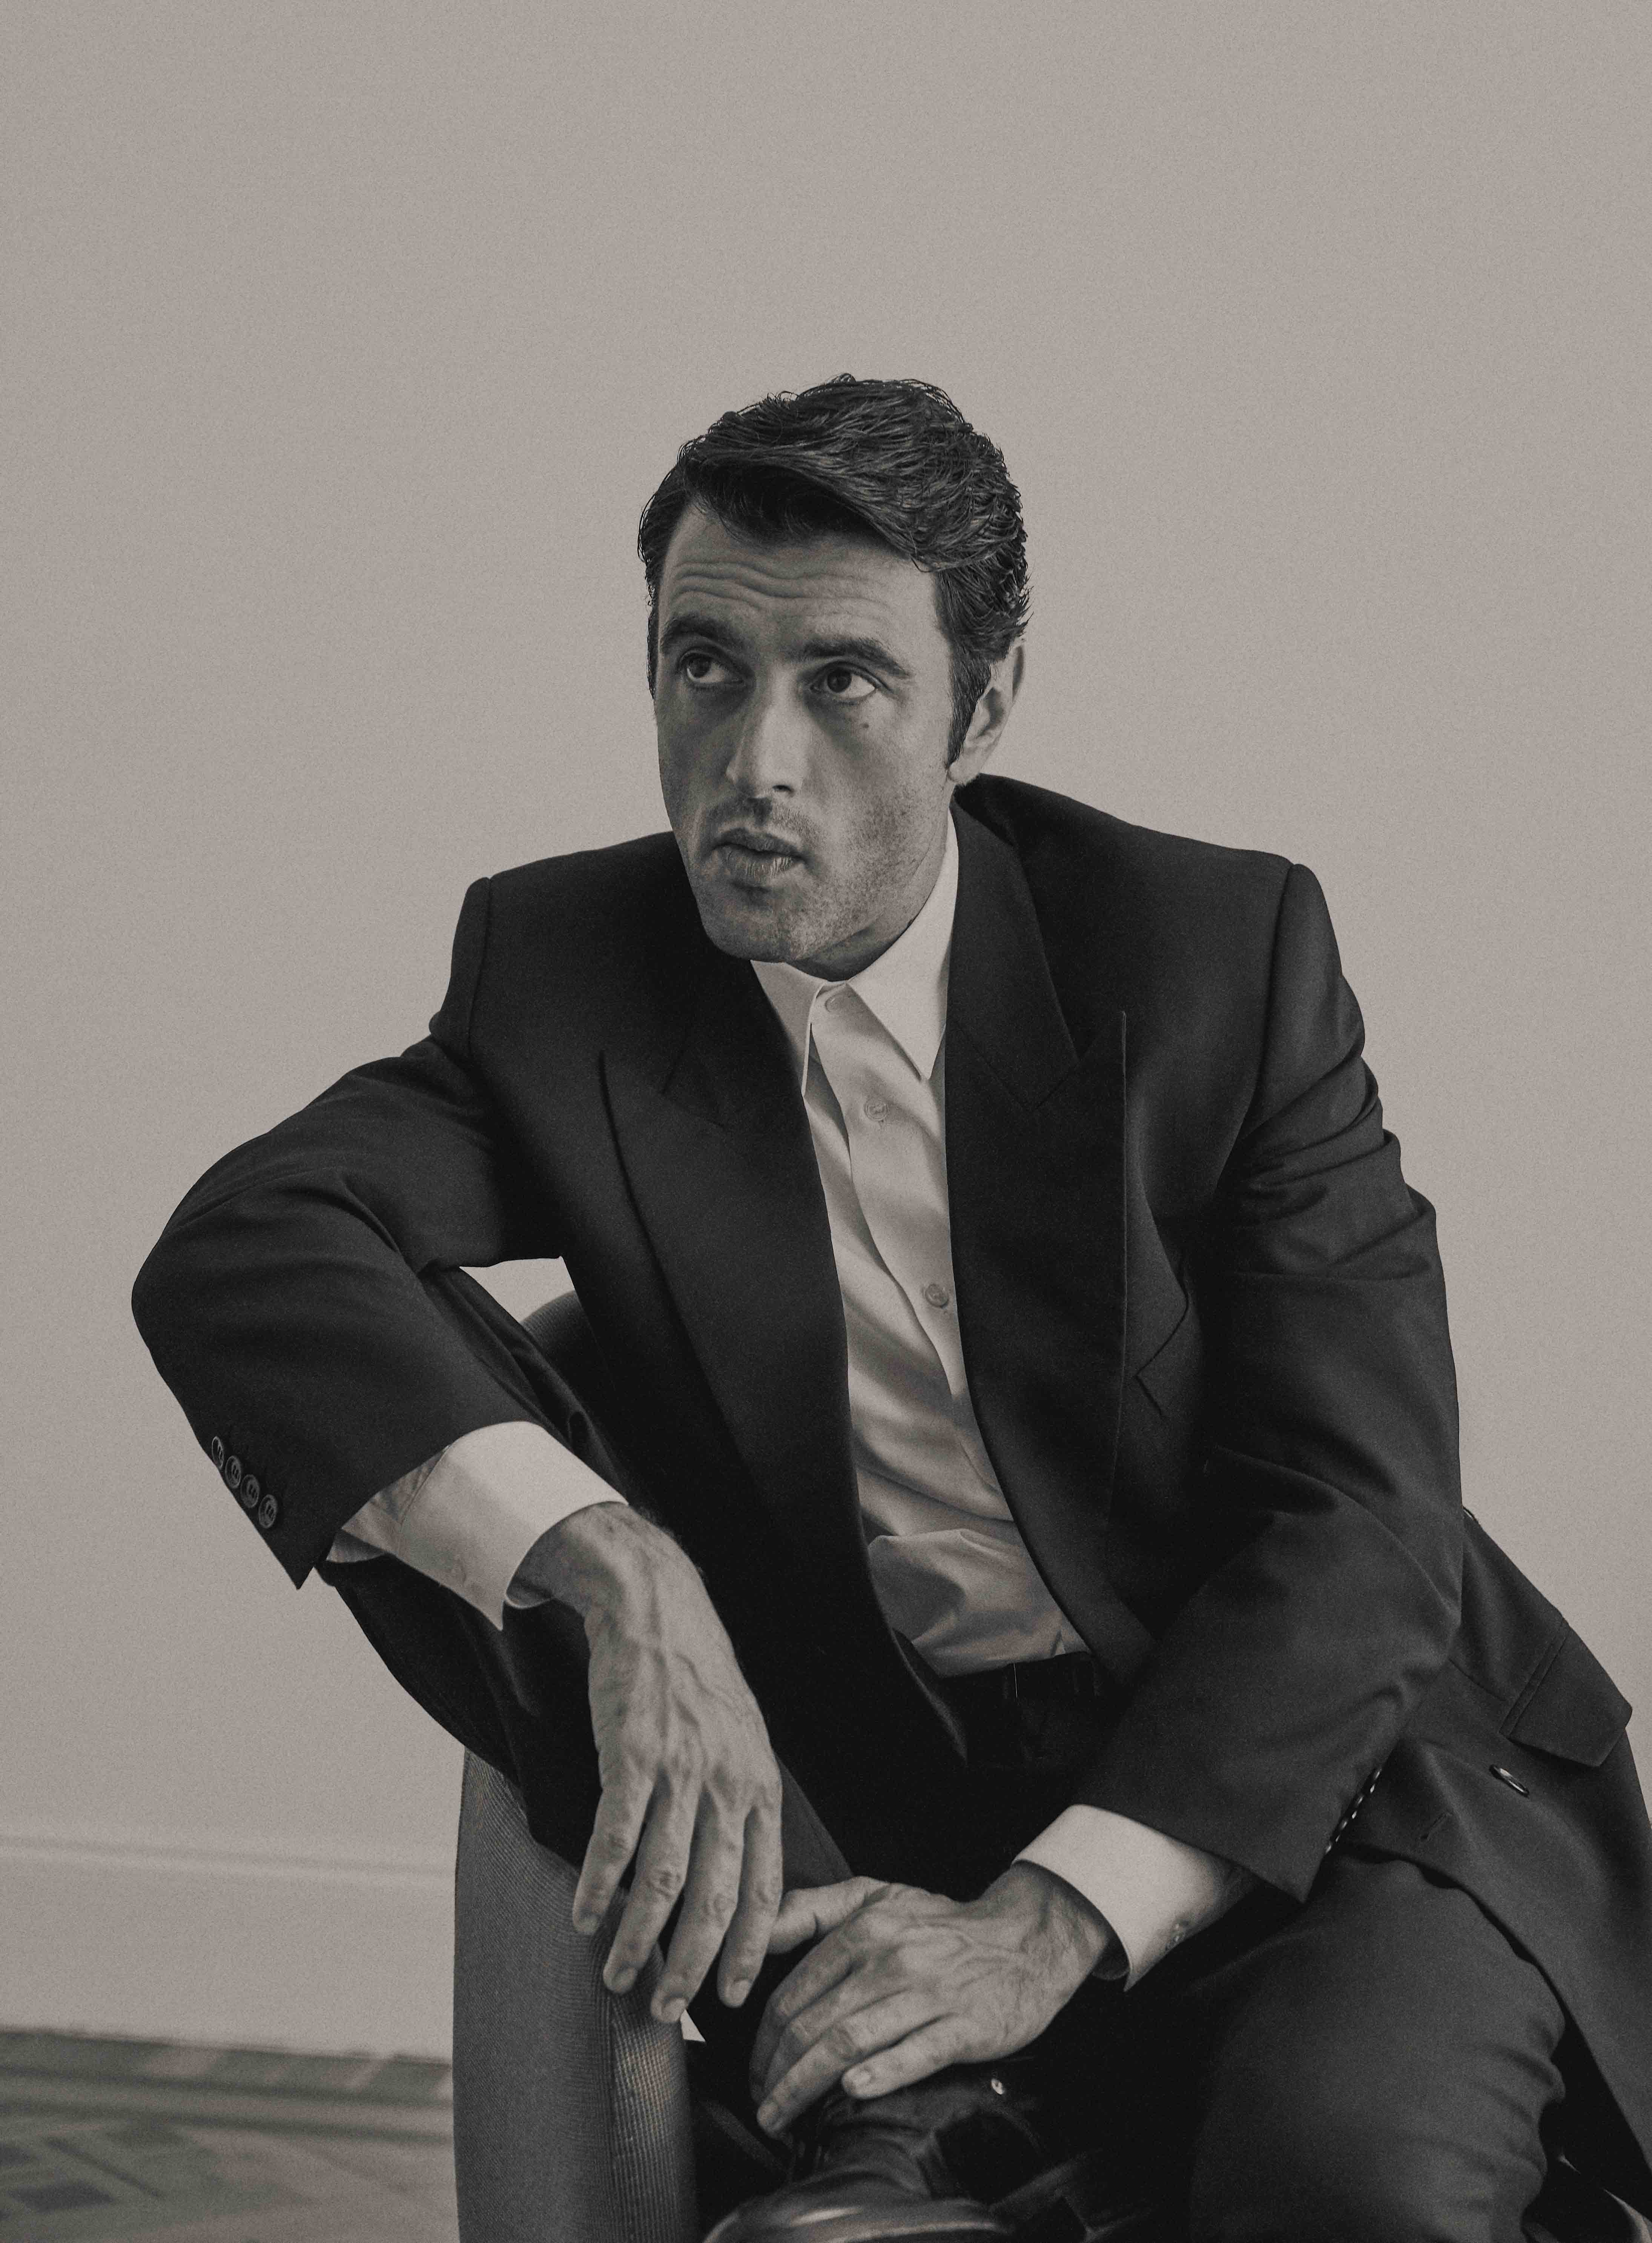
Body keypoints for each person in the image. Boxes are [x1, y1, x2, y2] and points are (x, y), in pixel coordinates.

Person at [132, 375, 1652, 2242]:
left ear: (979, 712)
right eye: (704, 667)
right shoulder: (570, 977)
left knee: (1339, 2188)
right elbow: (249, 1244)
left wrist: (1049, 1924)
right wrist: (615, 1566)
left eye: (843, 681)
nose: (754, 761)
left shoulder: (1212, 960)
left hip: (1328, 1783)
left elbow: (1364, 1519)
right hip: (904, 1815)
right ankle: (1016, 2132)